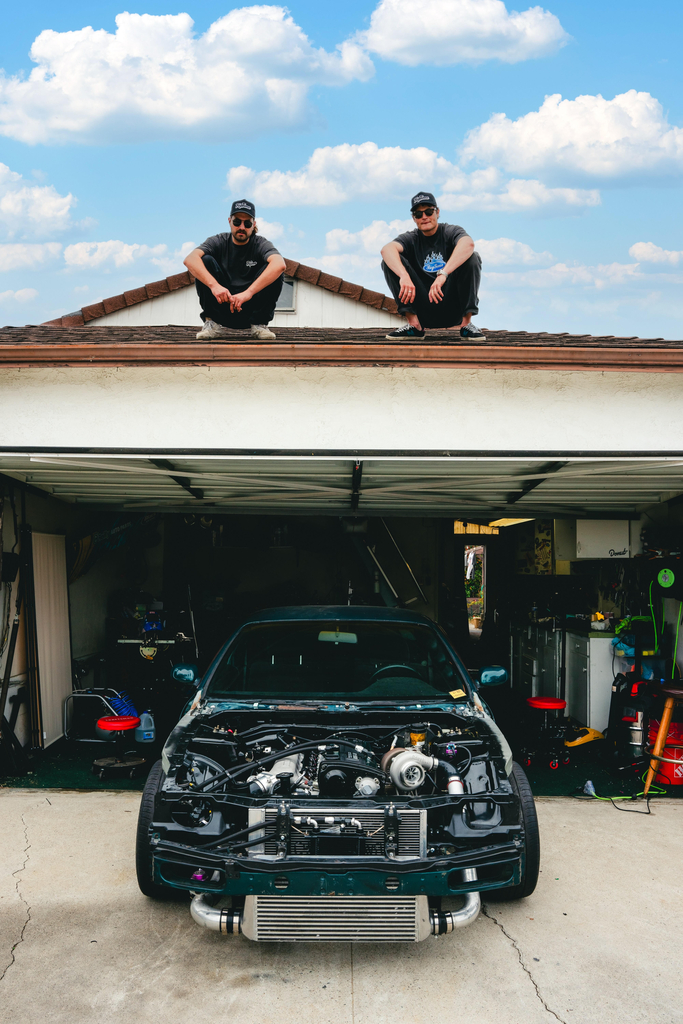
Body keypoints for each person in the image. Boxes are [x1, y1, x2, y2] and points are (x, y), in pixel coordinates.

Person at [380, 191, 485, 341]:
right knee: (390, 262)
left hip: (452, 306)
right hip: (423, 310)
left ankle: (466, 325)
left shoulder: (450, 231)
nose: (424, 217)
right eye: (418, 214)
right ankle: (414, 325)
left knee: (472, 257)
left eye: (429, 211)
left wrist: (443, 274)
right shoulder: (411, 238)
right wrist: (404, 276)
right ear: (413, 218)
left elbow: (468, 244)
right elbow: (387, 250)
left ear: (437, 212)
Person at [184, 200, 286, 340]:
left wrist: (248, 293)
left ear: (254, 224)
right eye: (237, 222)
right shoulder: (218, 241)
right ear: (229, 221)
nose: (242, 227)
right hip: (222, 309)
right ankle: (211, 323)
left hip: (251, 312)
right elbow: (190, 259)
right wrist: (215, 286)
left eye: (247, 223)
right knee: (204, 260)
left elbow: (279, 264)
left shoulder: (261, 244)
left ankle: (260, 325)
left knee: (274, 270)